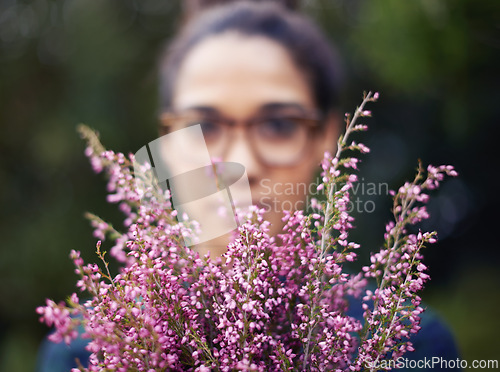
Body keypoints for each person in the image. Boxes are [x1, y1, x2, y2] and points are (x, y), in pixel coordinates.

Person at [37, 1, 460, 370]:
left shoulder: (407, 342)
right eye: (204, 126)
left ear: (329, 141)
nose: (241, 163)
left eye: (278, 124)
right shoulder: (89, 346)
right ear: (167, 143)